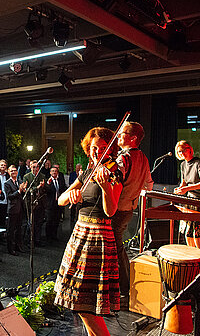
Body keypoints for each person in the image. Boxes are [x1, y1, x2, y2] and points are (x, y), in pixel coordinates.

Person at [54, 127, 122, 336]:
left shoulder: (114, 173)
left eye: (103, 148)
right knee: (80, 302)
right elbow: (60, 200)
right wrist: (73, 194)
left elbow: (110, 210)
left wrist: (104, 186)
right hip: (79, 235)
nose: (98, 152)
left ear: (110, 150)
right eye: (94, 148)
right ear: (88, 148)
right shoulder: (85, 172)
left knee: (84, 303)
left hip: (98, 238)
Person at [113, 121, 154, 302]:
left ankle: (124, 287)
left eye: (122, 133)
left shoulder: (123, 158)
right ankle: (124, 285)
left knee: (115, 247)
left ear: (133, 138)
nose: (118, 136)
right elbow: (149, 184)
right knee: (117, 245)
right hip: (129, 209)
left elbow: (115, 181)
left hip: (116, 208)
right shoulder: (144, 158)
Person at [174, 140, 200, 251]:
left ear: (190, 149)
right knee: (188, 233)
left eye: (184, 150)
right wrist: (179, 189)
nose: (181, 153)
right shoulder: (182, 165)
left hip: (199, 200)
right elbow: (184, 182)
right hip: (188, 200)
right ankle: (193, 259)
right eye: (179, 151)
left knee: (197, 234)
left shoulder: (198, 163)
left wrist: (187, 188)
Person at [23, 160, 47, 247]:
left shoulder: (42, 176)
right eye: (33, 167)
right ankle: (30, 241)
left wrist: (44, 186)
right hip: (31, 203)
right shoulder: (27, 177)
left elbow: (47, 189)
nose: (35, 169)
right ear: (30, 167)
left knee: (39, 223)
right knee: (31, 223)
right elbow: (28, 190)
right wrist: (37, 187)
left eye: (37, 167)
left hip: (40, 203)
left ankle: (37, 240)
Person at [4, 165, 27, 255]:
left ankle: (18, 246)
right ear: (9, 172)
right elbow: (9, 196)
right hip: (12, 209)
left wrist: (24, 190)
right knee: (11, 230)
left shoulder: (20, 181)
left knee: (19, 229)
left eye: (15, 171)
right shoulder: (7, 183)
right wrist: (19, 191)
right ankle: (10, 249)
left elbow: (22, 194)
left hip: (20, 208)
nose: (14, 172)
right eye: (12, 171)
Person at [45, 166, 67, 242]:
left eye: (55, 171)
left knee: (56, 221)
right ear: (50, 173)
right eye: (53, 171)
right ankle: (48, 237)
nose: (54, 172)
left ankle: (54, 235)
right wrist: (48, 183)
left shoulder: (60, 180)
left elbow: (63, 189)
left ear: (57, 173)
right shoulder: (48, 181)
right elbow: (46, 190)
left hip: (58, 204)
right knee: (49, 221)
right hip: (50, 204)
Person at [0, 159, 10, 229]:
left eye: (4, 165)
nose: (3, 166)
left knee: (3, 218)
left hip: (6, 199)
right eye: (2, 165)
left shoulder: (8, 176)